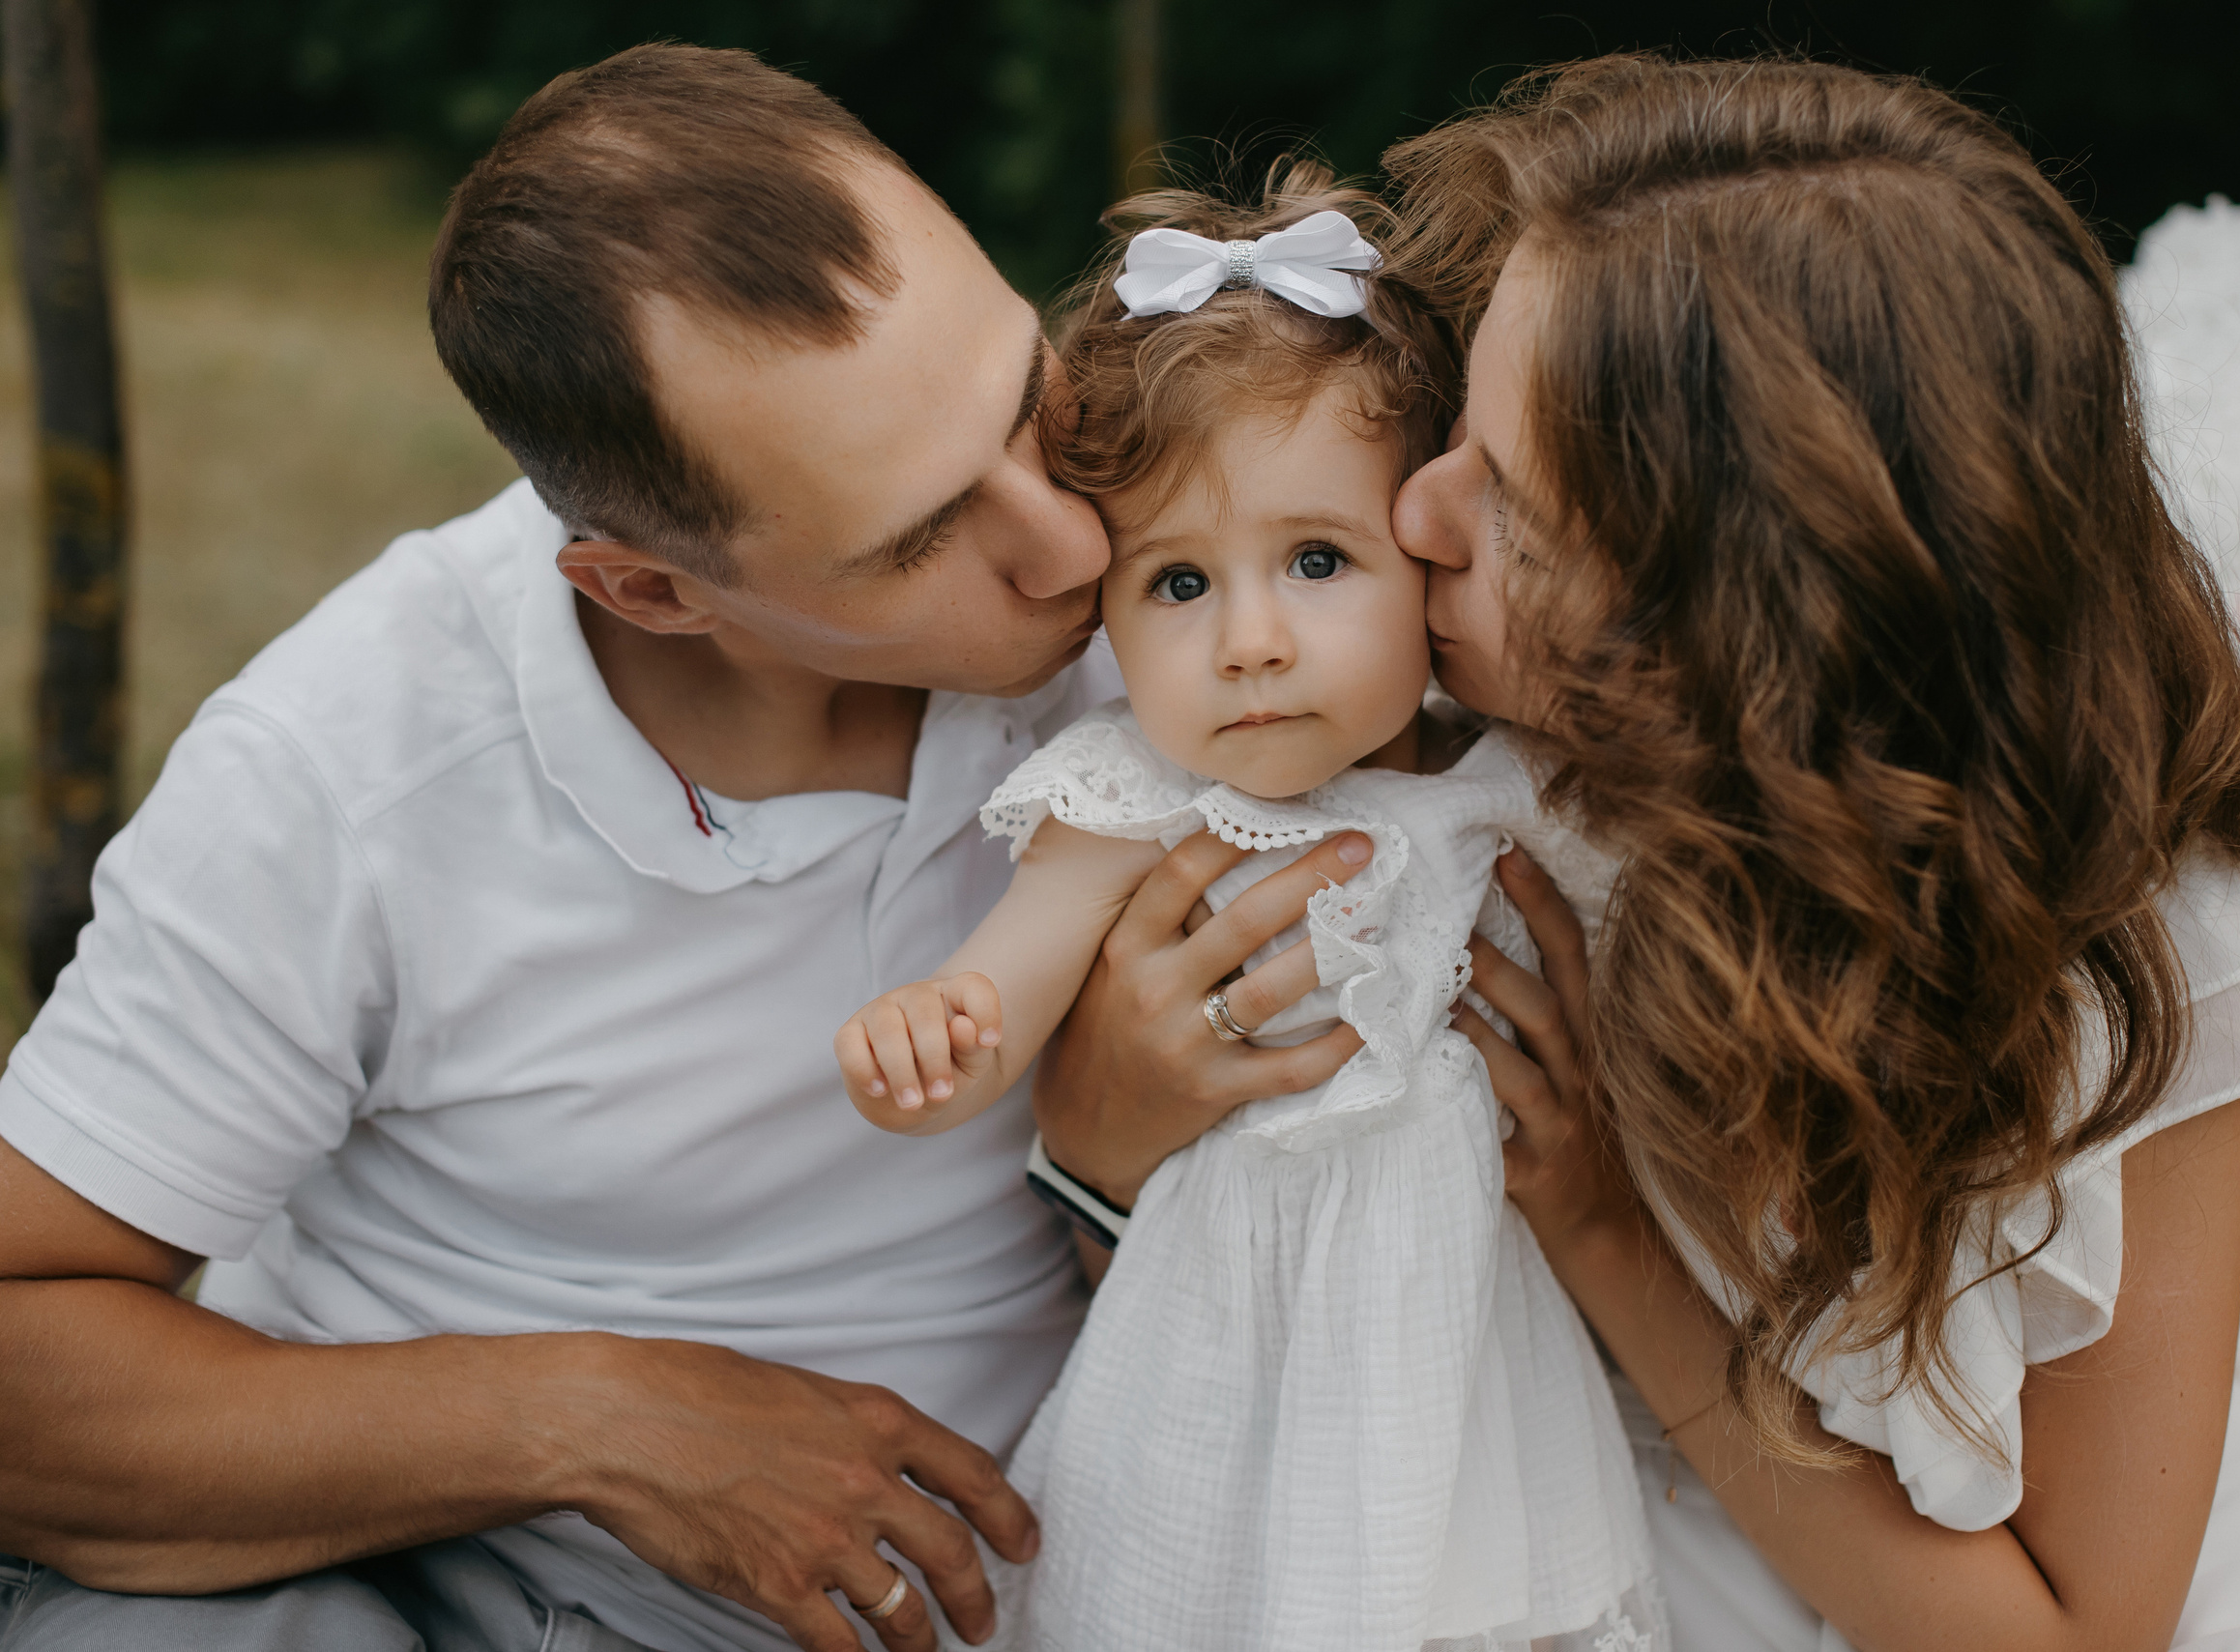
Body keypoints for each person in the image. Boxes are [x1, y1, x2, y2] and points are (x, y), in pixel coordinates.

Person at [0, 44, 1371, 1652]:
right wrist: (599, 1418)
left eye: (1025, 397)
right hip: (444, 1583)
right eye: (922, 536)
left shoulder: (1197, 588)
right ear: (649, 591)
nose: (1070, 540)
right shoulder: (344, 774)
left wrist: (1106, 1152)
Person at [1390, 54, 2240, 1652]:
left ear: (1747, 650)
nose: (1411, 515)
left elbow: (2079, 1636)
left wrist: (1605, 1230)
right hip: (1566, 1497)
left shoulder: (2155, 946)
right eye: (1458, 429)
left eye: (1511, 510)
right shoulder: (1431, 735)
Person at [835, 169, 1662, 1652]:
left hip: (1464, 1354)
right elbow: (1001, 993)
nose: (1253, 643)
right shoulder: (1132, 797)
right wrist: (933, 1034)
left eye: (1319, 561)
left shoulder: (1512, 795)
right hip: (1213, 1356)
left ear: (1431, 551)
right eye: (1178, 584)